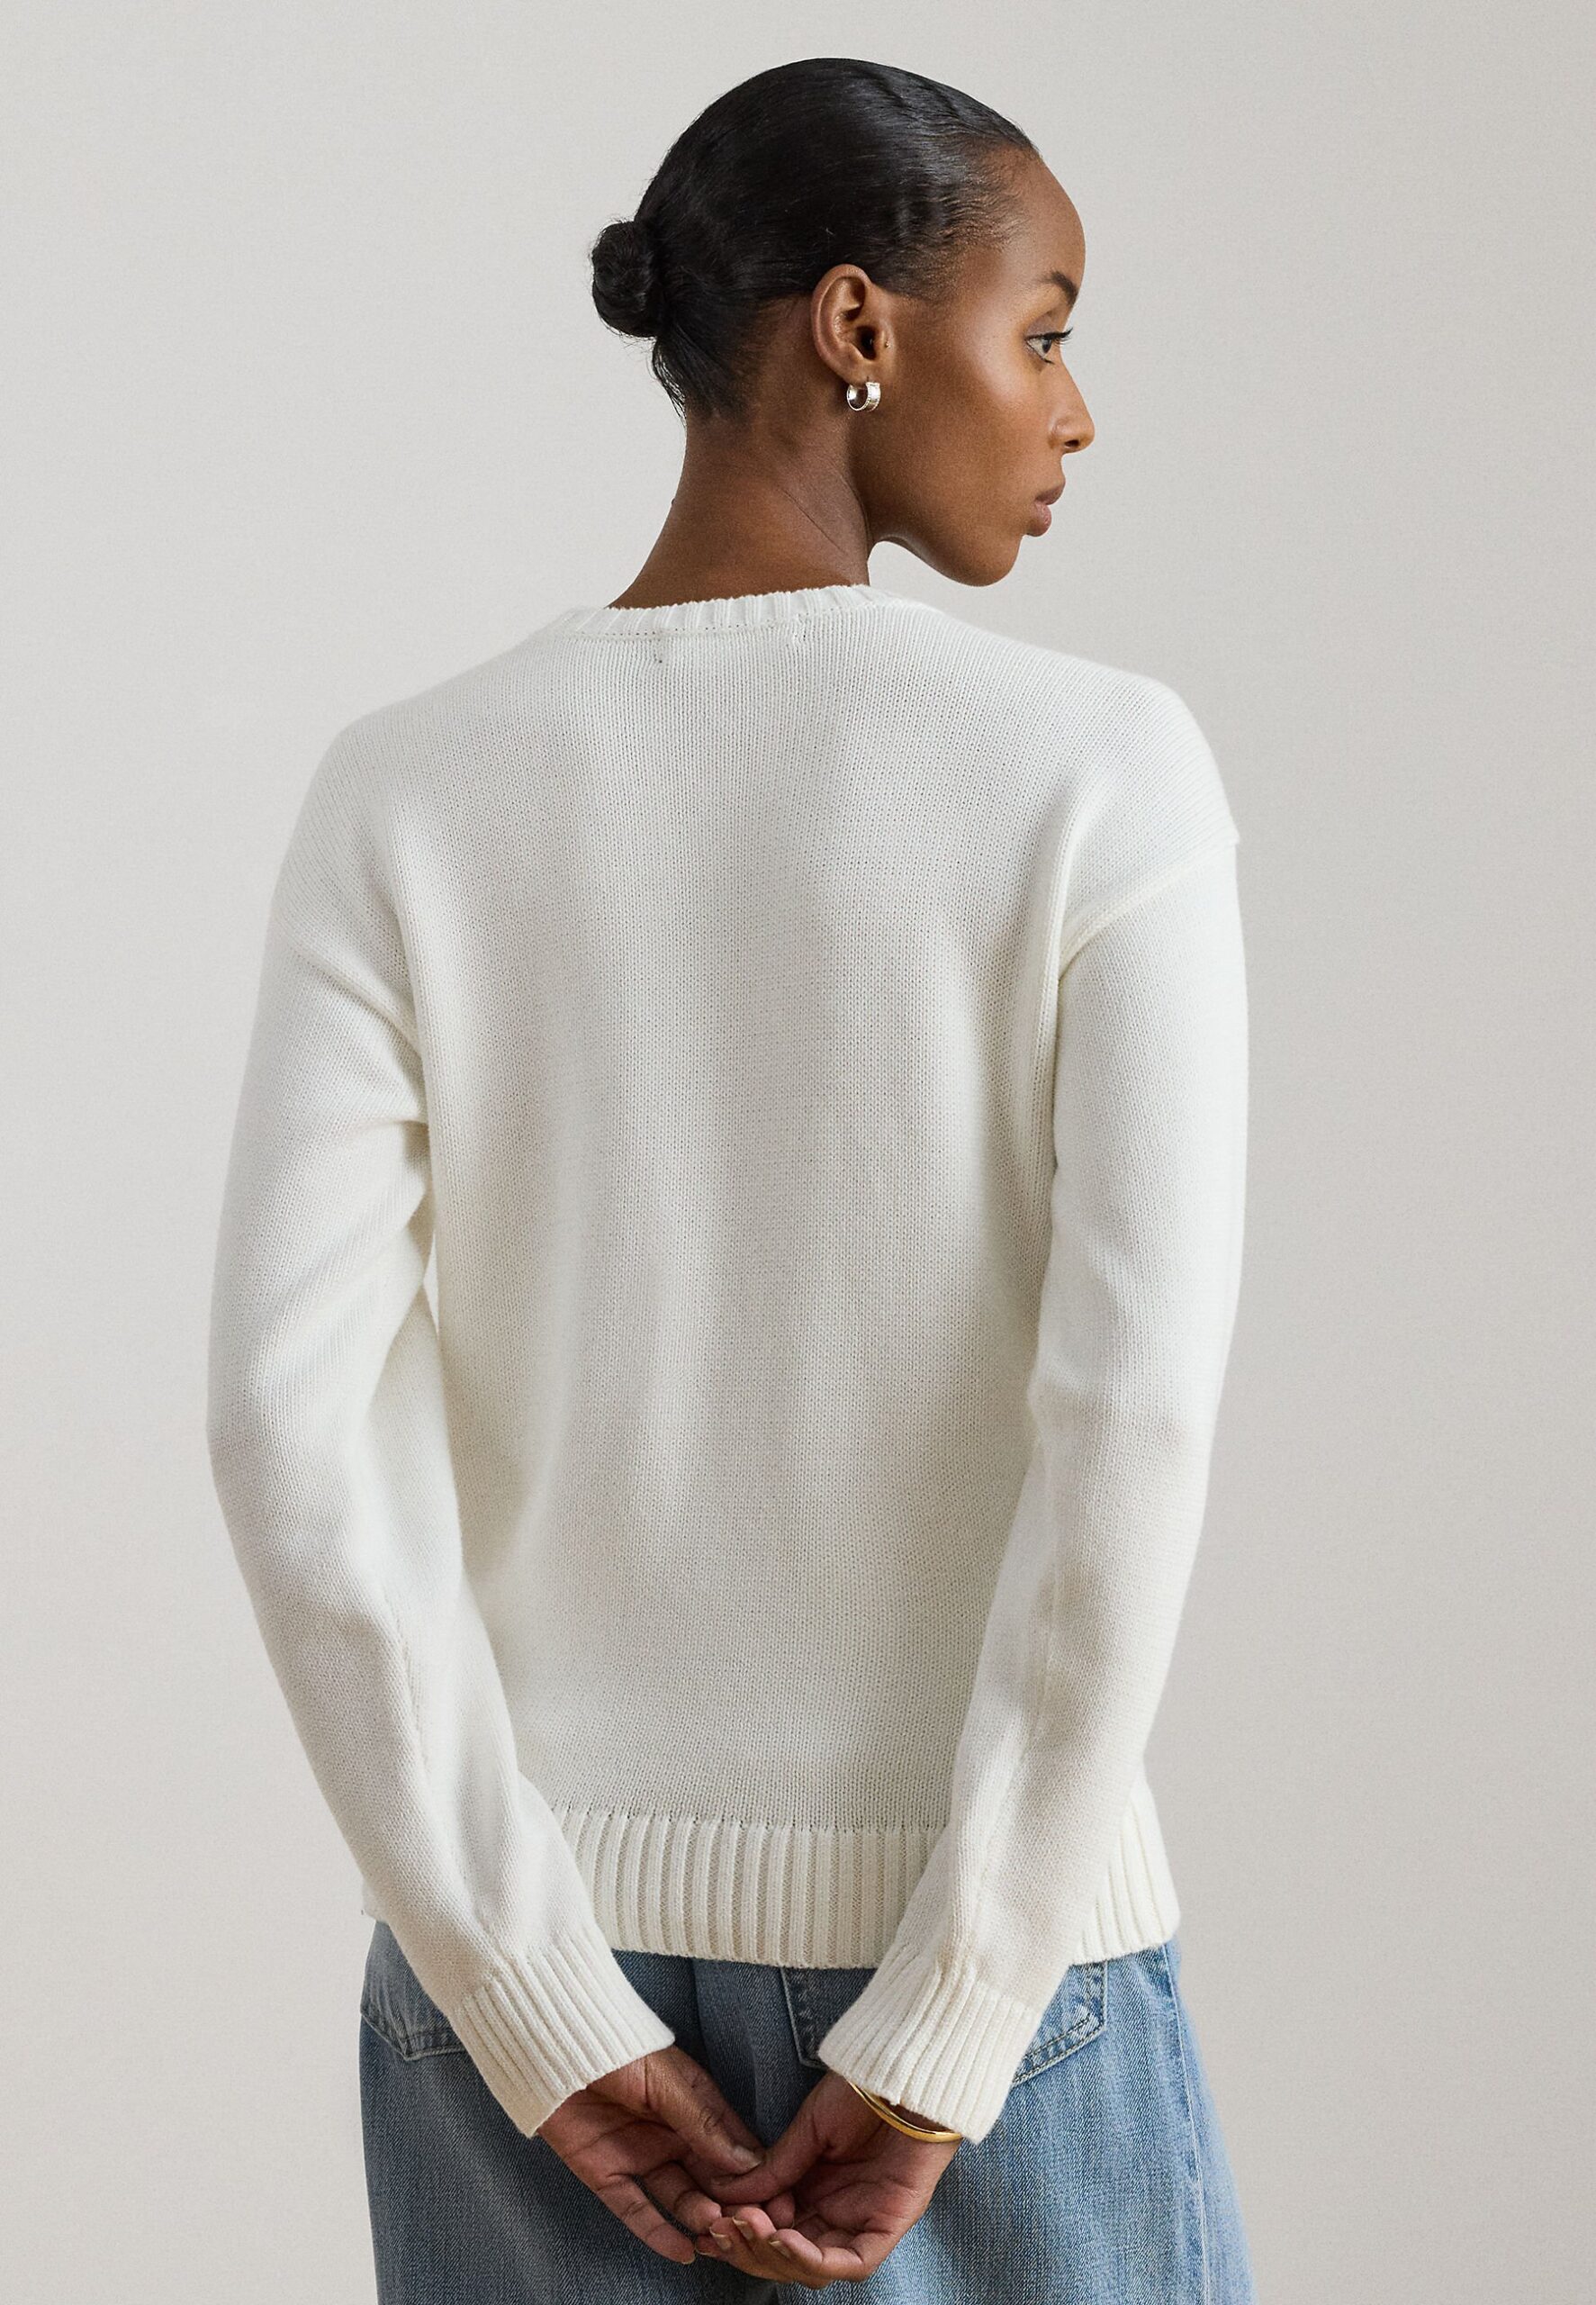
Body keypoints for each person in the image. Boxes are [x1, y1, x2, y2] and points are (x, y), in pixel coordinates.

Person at [205, 52, 1258, 2304]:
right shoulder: (1100, 773)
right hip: (1002, 1995)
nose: (1074, 413)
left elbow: (288, 1430)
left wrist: (525, 1989)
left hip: (523, 2010)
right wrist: (956, 2003)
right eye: (1043, 332)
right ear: (858, 324)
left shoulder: (405, 792)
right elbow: (1130, 1414)